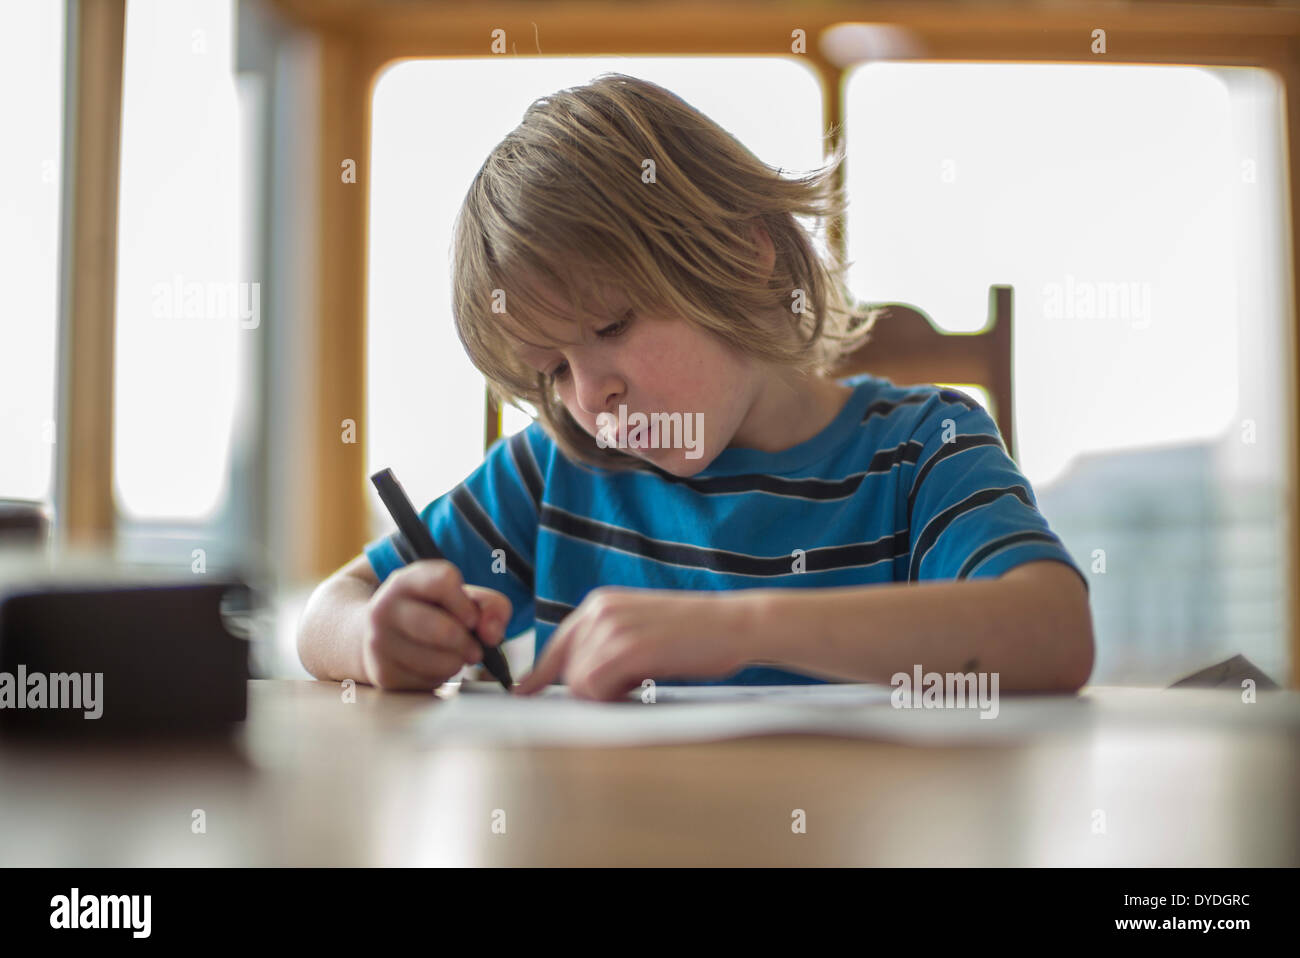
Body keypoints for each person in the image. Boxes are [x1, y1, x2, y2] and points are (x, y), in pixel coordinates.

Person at [297, 73, 1094, 702]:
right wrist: (376, 637)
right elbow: (326, 612)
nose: (589, 395)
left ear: (745, 255)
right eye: (553, 371)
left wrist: (738, 627)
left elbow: (1053, 633)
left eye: (611, 328)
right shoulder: (556, 472)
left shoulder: (922, 449)